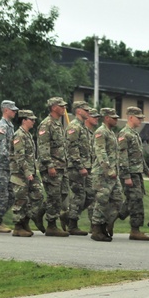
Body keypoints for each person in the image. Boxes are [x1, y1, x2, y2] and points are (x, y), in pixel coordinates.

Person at [117, 106, 149, 241]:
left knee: (132, 200)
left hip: (137, 173)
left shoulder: (134, 134)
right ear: (131, 117)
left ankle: (111, 218)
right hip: (130, 174)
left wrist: (147, 171)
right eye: (139, 118)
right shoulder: (125, 134)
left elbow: (138, 157)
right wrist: (126, 176)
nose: (141, 121)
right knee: (136, 201)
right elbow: (122, 157)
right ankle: (135, 229)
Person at [90, 108, 124, 242]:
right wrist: (108, 169)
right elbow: (100, 152)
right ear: (106, 118)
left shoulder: (110, 132)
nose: (116, 120)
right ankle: (97, 229)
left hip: (113, 175)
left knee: (118, 199)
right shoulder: (101, 132)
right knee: (102, 200)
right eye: (113, 118)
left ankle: (106, 223)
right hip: (103, 174)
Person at [10, 109, 45, 238]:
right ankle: (18, 227)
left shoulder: (28, 134)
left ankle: (26, 220)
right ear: (24, 120)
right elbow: (20, 156)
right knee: (21, 199)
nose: (34, 122)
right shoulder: (19, 135)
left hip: (30, 172)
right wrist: (27, 171)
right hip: (20, 173)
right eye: (31, 119)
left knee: (38, 194)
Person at [38, 96, 69, 237]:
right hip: (52, 167)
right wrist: (50, 165)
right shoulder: (47, 124)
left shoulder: (57, 123)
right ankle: (51, 225)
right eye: (61, 106)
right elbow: (43, 147)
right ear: (54, 107)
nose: (64, 108)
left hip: (61, 166)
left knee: (60, 195)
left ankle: (38, 214)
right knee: (53, 196)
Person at [64, 101, 95, 236]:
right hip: (76, 168)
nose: (88, 112)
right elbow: (72, 148)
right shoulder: (74, 127)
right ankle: (72, 224)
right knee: (79, 195)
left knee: (91, 194)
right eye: (86, 110)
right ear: (78, 111)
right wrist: (80, 166)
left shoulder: (83, 128)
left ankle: (69, 215)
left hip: (87, 167)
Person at [0, 100, 18, 233]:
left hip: (7, 167)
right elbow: (1, 150)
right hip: (0, 166)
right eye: (12, 110)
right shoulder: (1, 127)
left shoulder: (10, 126)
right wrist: (14, 160)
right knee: (2, 195)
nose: (15, 112)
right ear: (5, 110)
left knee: (11, 195)